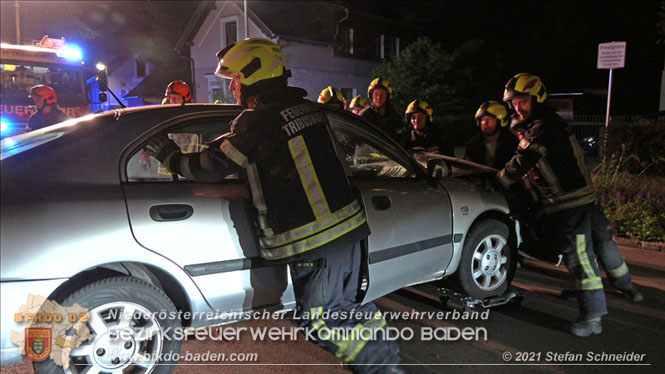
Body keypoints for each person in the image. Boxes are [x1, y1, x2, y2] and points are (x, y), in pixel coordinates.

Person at [147, 38, 403, 373]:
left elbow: (210, 166)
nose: (233, 87)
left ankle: (383, 369)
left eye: (236, 79)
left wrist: (167, 154)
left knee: (321, 322)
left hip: (316, 239)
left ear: (256, 76)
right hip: (351, 229)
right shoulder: (311, 110)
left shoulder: (257, 122)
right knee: (351, 306)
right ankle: (386, 360)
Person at [497, 73, 642, 337]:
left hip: (568, 203)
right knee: (604, 241)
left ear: (536, 98)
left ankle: (593, 318)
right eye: (514, 103)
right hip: (585, 198)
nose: (517, 107)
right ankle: (627, 286)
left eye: (522, 101)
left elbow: (522, 162)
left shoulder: (542, 127)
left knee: (581, 260)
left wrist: (497, 181)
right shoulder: (549, 122)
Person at [464, 101, 518, 168]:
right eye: (483, 120)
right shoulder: (474, 144)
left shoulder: (511, 143)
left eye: (489, 119)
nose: (485, 123)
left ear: (500, 121)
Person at [359, 78, 406, 142]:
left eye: (382, 94)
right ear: (371, 95)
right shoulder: (364, 116)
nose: (379, 97)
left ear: (387, 96)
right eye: (376, 94)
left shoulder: (394, 117)